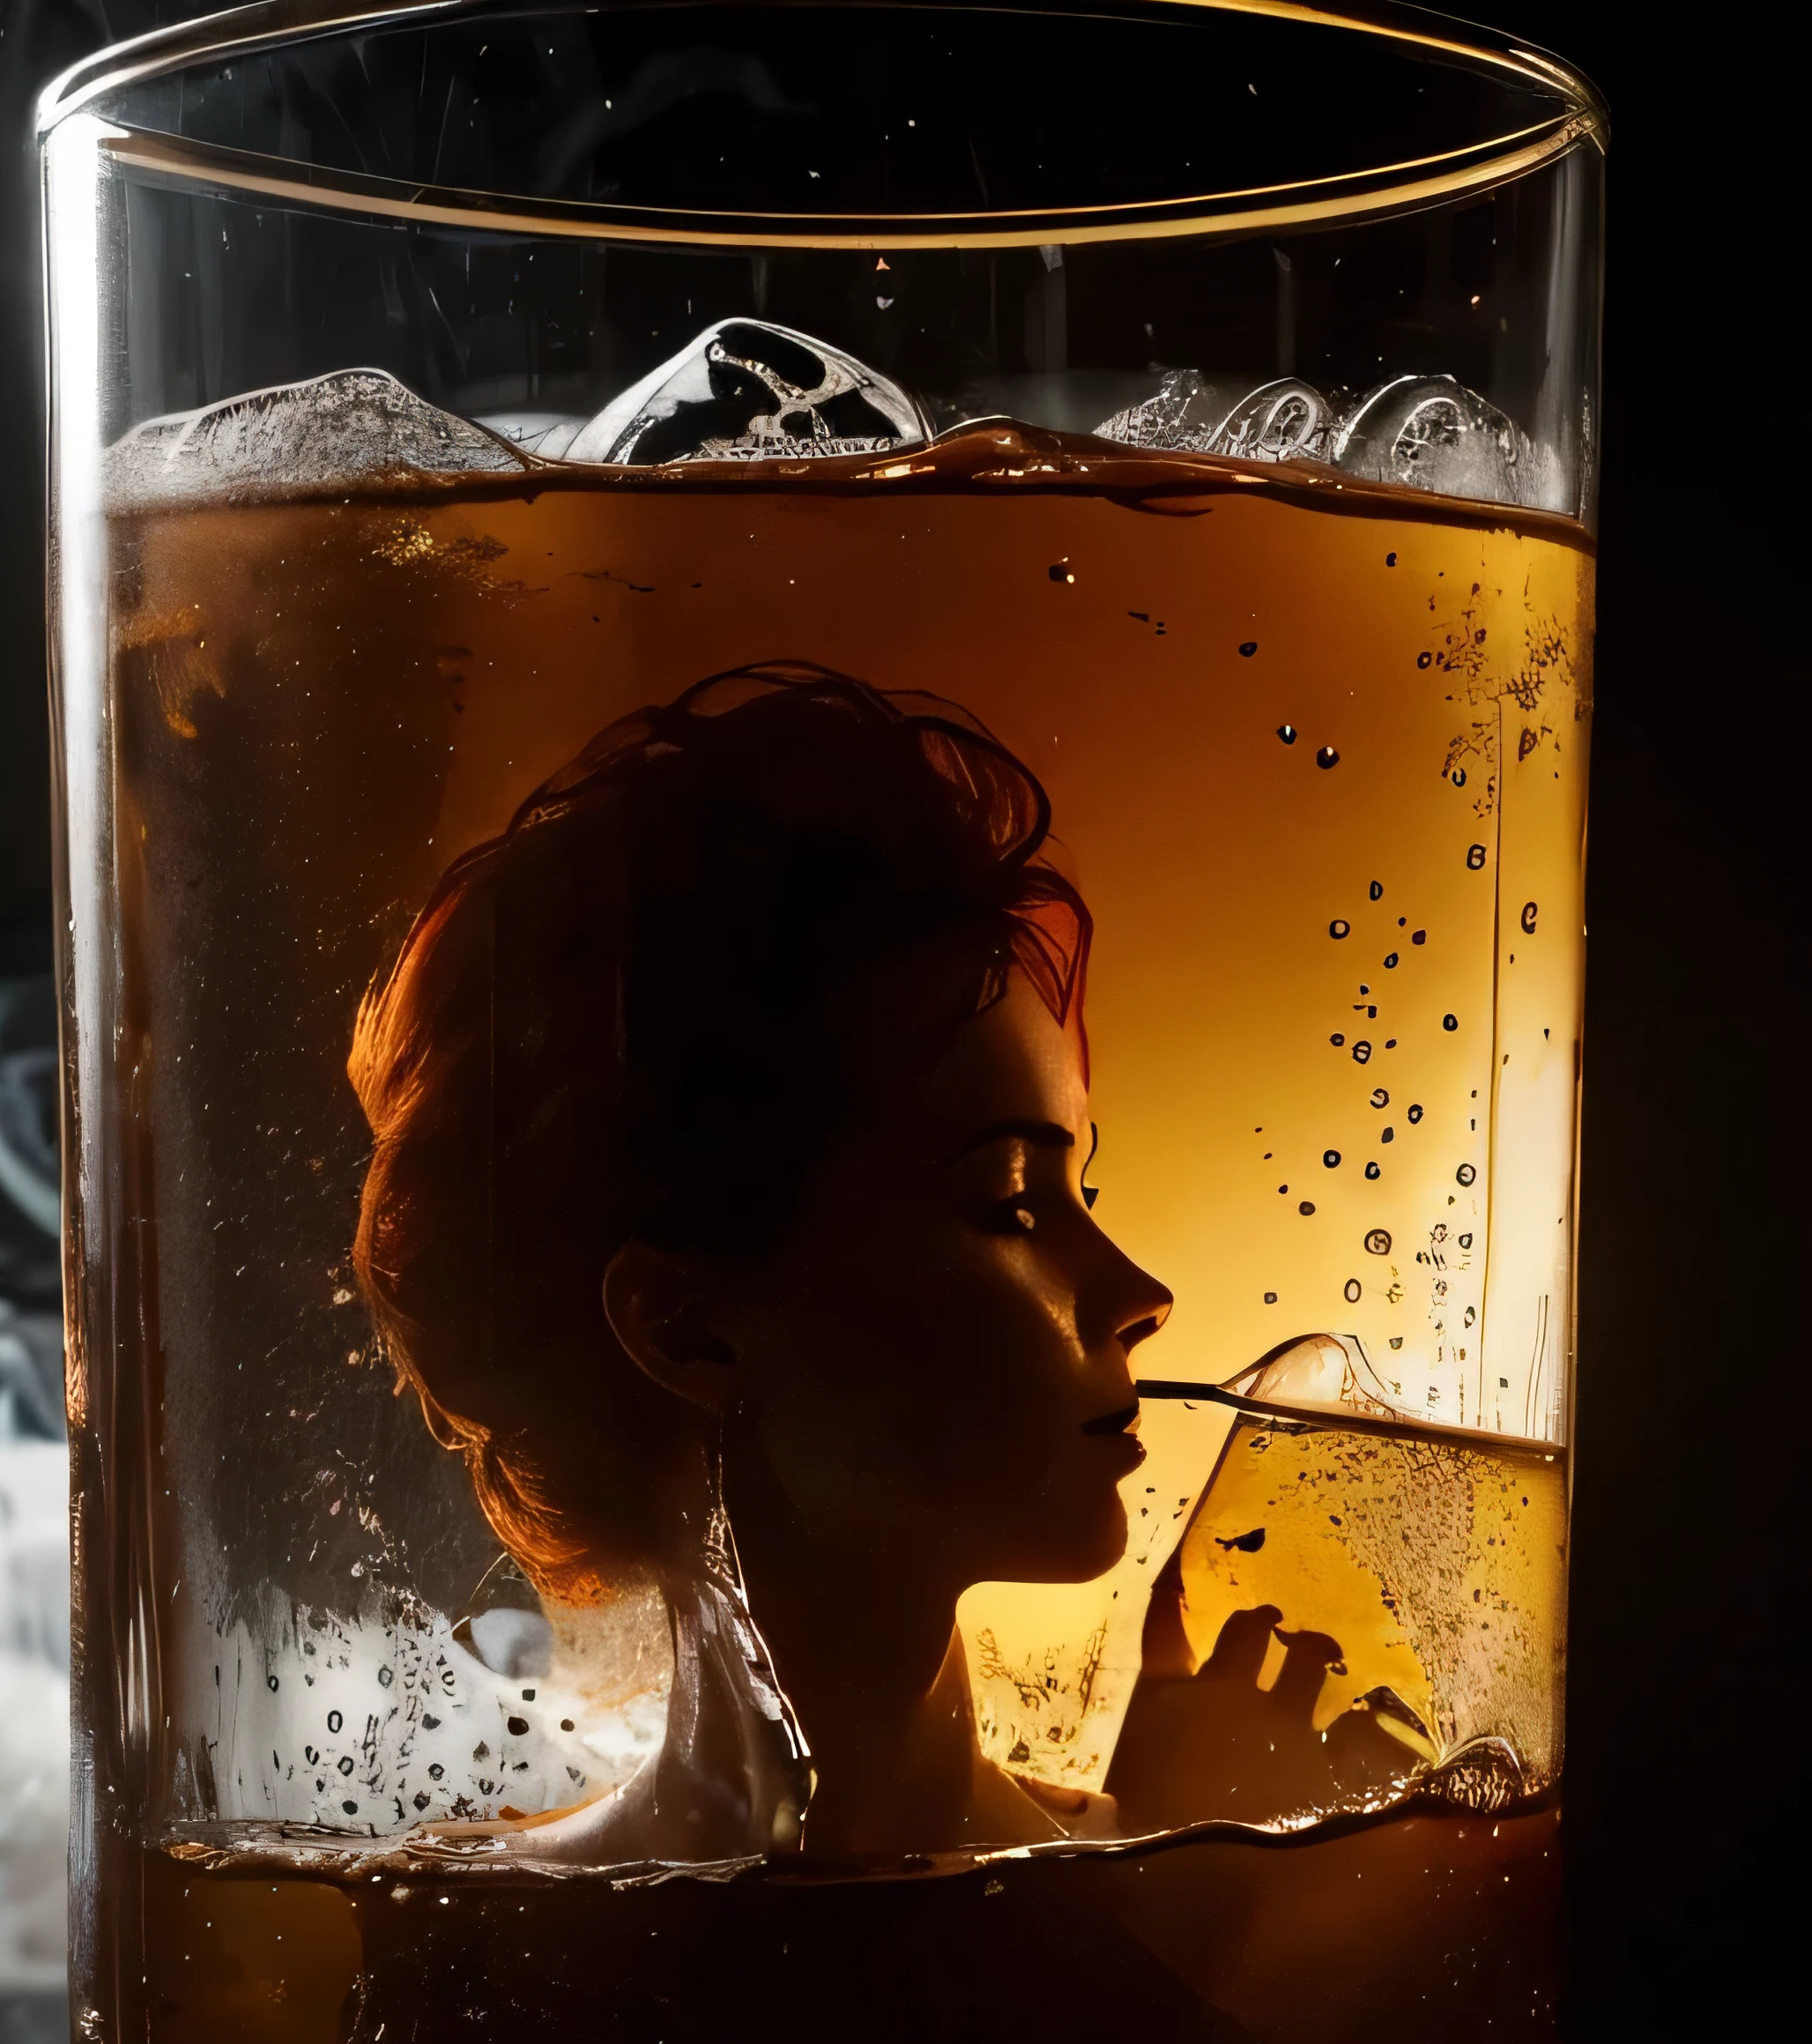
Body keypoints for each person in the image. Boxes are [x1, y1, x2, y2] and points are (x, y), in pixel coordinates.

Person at [346, 659, 1415, 1865]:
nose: (1140, 1293)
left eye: (1085, 1190)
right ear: (688, 1327)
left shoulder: (1143, 1850)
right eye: (1010, 1199)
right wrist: (1189, 1905)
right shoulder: (487, 1943)